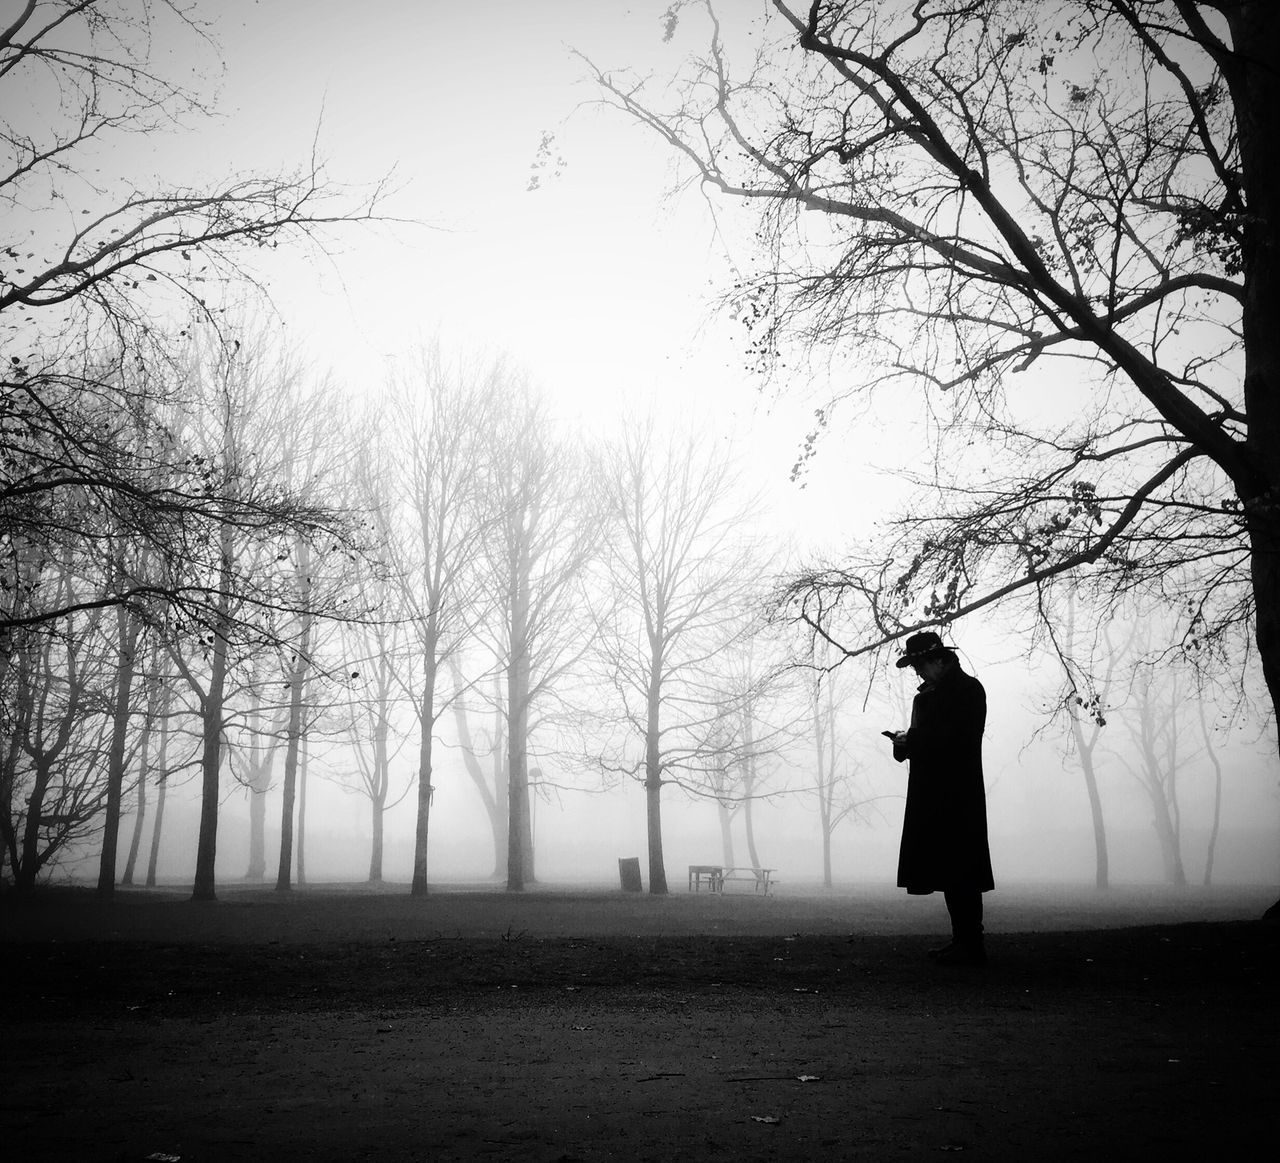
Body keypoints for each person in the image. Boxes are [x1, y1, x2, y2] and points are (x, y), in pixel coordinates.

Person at [885, 631, 994, 966]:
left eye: (920, 665)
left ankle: (970, 942)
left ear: (940, 660)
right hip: (931, 793)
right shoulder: (927, 697)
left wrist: (912, 739)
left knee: (963, 869)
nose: (918, 673)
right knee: (948, 870)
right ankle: (963, 941)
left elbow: (956, 738)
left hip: (959, 793)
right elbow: (925, 740)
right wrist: (902, 743)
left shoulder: (968, 690)